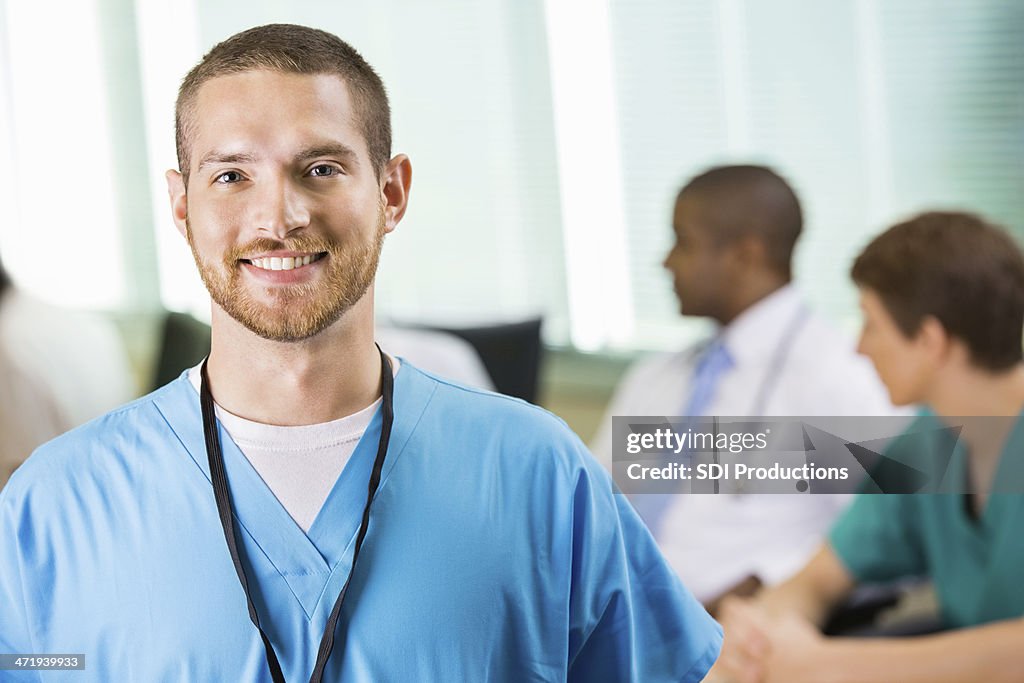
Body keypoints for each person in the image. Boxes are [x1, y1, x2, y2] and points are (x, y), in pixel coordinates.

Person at [0, 24, 721, 681]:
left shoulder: (539, 475)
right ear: (182, 204)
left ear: (392, 191)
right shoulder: (53, 505)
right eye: (231, 175)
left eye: (320, 168)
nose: (279, 215)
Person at [710, 211, 1024, 683]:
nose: (859, 347)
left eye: (871, 324)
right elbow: (820, 577)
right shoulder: (928, 442)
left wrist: (826, 665)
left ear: (929, 340)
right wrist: (763, 630)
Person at [591, 165, 894, 605]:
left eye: (683, 242)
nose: (666, 261)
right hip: (613, 622)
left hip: (738, 640)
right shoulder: (658, 377)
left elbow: (891, 542)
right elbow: (594, 506)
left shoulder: (840, 375)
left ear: (744, 255)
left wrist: (770, 585)